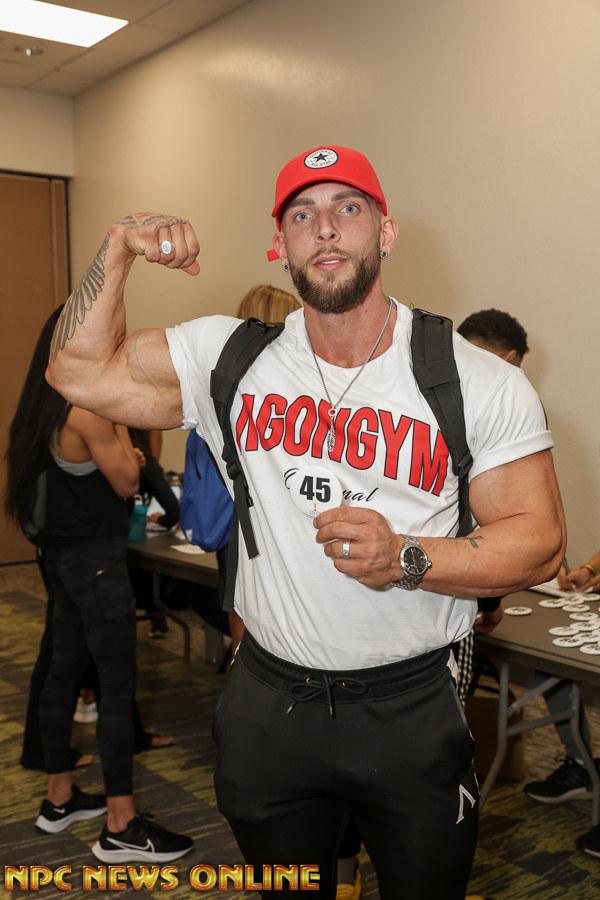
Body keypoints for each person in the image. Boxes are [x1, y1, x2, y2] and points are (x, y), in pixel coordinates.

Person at [46, 146, 566, 898]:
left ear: (386, 232)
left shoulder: (471, 378)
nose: (325, 227)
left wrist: (408, 557)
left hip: (410, 707)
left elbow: (539, 540)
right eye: (302, 214)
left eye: (348, 208)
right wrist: (118, 248)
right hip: (269, 706)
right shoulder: (227, 357)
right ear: (279, 244)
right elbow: (76, 371)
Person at [5, 306, 192, 863]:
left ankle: (59, 798)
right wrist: (120, 420)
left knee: (63, 671)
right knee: (115, 683)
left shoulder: (42, 403)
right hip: (99, 564)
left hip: (62, 561)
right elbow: (129, 479)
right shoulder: (88, 408)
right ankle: (121, 824)